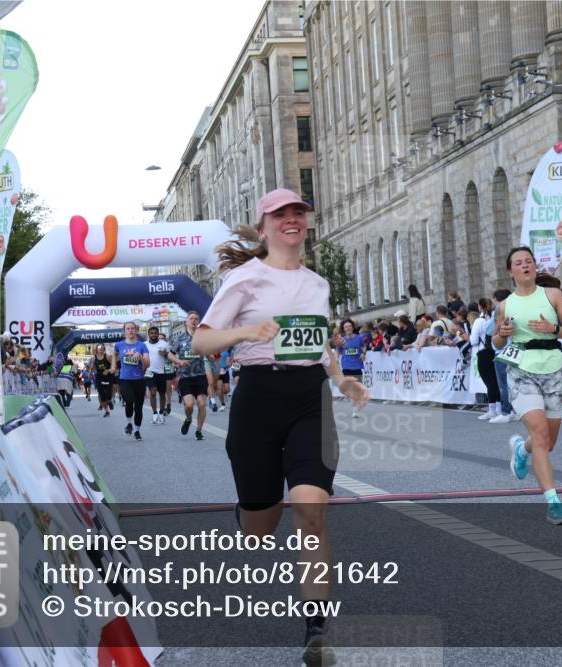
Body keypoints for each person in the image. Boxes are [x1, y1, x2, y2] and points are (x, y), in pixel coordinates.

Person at [191, 188, 368, 664]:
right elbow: (202, 342)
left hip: (310, 398)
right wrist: (246, 331)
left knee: (312, 512)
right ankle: (247, 514)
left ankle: (316, 628)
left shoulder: (317, 283)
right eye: (281, 214)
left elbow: (317, 342)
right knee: (259, 530)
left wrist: (341, 378)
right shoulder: (245, 278)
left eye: (299, 212)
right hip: (258, 399)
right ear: (265, 224)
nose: (292, 220)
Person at [491, 246, 562, 525]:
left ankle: (521, 450)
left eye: (529, 261)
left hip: (552, 368)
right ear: (510, 271)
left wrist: (551, 329)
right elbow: (496, 341)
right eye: (519, 262)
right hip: (521, 370)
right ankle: (553, 502)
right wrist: (502, 335)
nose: (525, 265)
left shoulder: (552, 295)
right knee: (540, 434)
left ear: (535, 266)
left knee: (547, 443)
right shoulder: (505, 305)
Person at [169, 311, 212, 441]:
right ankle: (188, 419)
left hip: (200, 375)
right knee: (189, 405)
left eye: (196, 319)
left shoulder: (202, 337)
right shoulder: (179, 338)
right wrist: (179, 361)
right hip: (185, 376)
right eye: (191, 318)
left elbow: (209, 354)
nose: (194, 321)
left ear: (198, 322)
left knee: (202, 404)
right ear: (186, 322)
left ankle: (199, 430)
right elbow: (170, 354)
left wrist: (210, 354)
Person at [111, 322, 150, 441]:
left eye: (133, 328)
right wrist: (113, 366)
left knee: (138, 407)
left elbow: (148, 364)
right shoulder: (119, 345)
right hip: (124, 378)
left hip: (139, 379)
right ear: (124, 331)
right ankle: (129, 423)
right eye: (128, 329)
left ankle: (137, 430)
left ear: (136, 330)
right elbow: (114, 354)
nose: (130, 330)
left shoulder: (142, 346)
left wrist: (141, 356)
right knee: (129, 399)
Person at [471, 298, 501, 420]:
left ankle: (492, 409)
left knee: (489, 382)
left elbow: (473, 340)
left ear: (480, 307)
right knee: (496, 381)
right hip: (494, 351)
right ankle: (499, 408)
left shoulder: (479, 321)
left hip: (483, 353)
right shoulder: (494, 318)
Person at [488, 289, 515, 424]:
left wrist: (496, 326)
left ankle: (507, 411)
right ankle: (512, 410)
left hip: (503, 351)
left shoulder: (500, 310)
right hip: (512, 350)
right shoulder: (515, 308)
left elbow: (491, 331)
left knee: (504, 384)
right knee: (511, 384)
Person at [333, 319, 366, 418]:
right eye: (346, 327)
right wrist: (336, 359)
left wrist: (363, 353)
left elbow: (363, 347)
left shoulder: (359, 338)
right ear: (344, 329)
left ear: (352, 327)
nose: (348, 328)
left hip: (357, 366)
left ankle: (355, 409)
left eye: (349, 326)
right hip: (347, 366)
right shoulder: (341, 340)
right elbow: (337, 351)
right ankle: (353, 404)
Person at [145, 325, 171, 424]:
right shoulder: (144, 345)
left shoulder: (164, 344)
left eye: (155, 333)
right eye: (151, 333)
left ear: (158, 333)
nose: (154, 335)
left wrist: (164, 354)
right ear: (148, 334)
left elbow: (169, 358)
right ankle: (154, 413)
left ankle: (161, 412)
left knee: (162, 393)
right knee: (152, 391)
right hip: (149, 371)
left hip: (161, 371)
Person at [92, 344, 114, 417]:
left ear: (104, 349)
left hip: (108, 377)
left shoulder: (107, 356)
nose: (100, 349)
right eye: (99, 348)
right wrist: (90, 373)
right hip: (99, 377)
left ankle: (110, 401)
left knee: (108, 395)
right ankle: (107, 411)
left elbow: (113, 366)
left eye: (102, 348)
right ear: (97, 349)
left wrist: (108, 370)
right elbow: (92, 366)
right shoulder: (94, 358)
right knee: (102, 396)